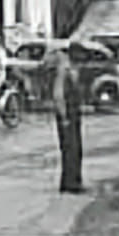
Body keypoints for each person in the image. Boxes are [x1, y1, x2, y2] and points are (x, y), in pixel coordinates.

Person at [48, 46, 84, 193]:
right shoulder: (63, 70)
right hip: (67, 114)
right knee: (71, 149)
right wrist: (63, 116)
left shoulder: (69, 69)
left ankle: (72, 181)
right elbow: (58, 94)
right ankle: (71, 183)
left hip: (72, 113)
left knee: (74, 149)